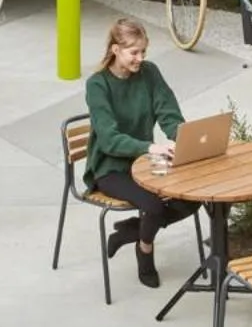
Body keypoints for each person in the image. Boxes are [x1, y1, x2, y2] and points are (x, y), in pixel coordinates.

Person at [83, 17, 200, 288]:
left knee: (193, 194)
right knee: (154, 205)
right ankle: (144, 249)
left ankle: (130, 231)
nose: (140, 58)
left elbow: (168, 113)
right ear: (115, 50)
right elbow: (109, 139)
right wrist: (150, 147)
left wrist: (182, 139)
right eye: (134, 52)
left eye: (143, 52)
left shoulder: (149, 72)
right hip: (111, 168)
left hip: (145, 160)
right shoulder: (97, 85)